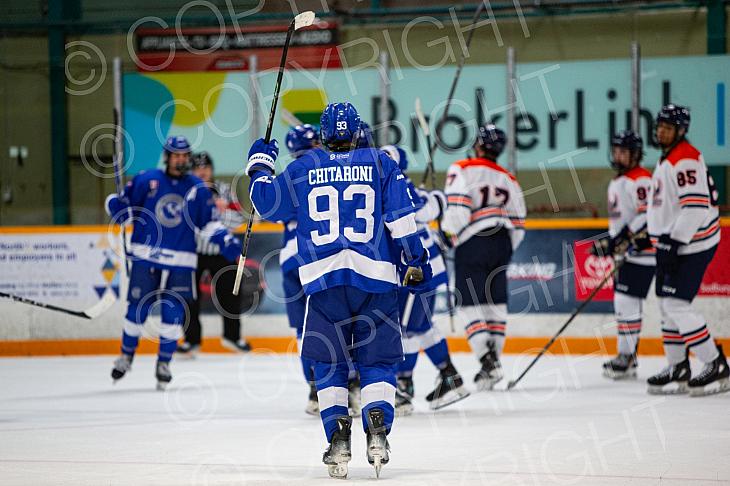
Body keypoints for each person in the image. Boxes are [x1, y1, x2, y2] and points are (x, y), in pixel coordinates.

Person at [246, 102, 432, 478]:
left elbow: (265, 205)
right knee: (377, 362)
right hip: (376, 279)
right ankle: (377, 427)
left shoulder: (303, 167)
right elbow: (401, 219)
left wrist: (260, 166)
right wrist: (416, 259)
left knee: (329, 364)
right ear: (359, 131)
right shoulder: (381, 163)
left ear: (325, 134)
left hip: (324, 283)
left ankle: (338, 437)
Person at [105, 136, 240, 389]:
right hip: (147, 256)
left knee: (173, 314)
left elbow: (208, 223)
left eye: (184, 155)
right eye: (175, 155)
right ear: (167, 156)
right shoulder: (147, 179)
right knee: (137, 310)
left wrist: (225, 239)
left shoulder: (198, 189)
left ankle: (164, 362)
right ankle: (126, 356)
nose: (180, 160)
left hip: (182, 261)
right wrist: (115, 205)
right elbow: (126, 208)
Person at [643, 104, 728, 396]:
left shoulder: (685, 158)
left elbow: (695, 208)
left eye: (667, 127)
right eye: (659, 126)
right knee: (667, 306)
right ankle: (678, 365)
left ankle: (714, 362)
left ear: (681, 130)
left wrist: (673, 241)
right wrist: (651, 236)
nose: (661, 131)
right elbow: (666, 206)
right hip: (676, 244)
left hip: (693, 244)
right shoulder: (669, 157)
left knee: (676, 304)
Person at [380, 144, 469, 415]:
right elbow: (433, 205)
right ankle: (449, 376)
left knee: (405, 328)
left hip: (416, 269)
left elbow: (415, 212)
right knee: (421, 326)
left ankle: (404, 388)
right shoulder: (405, 186)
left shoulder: (394, 187)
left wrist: (429, 200)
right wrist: (435, 199)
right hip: (427, 267)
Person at [441, 124, 526, 391]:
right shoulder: (509, 178)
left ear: (478, 144)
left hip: (473, 242)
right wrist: (506, 244)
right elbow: (519, 220)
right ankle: (494, 363)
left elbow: (459, 211)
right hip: (503, 241)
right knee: (495, 301)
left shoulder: (462, 168)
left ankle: (487, 361)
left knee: (467, 302)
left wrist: (448, 234)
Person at [591, 130, 655, 379]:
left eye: (623, 152)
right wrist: (611, 243)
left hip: (644, 252)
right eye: (616, 150)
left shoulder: (640, 179)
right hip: (630, 252)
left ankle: (627, 356)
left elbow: (647, 214)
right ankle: (628, 355)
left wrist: (622, 238)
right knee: (626, 303)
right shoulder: (618, 181)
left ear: (636, 154)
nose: (618, 156)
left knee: (626, 302)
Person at [176, 151, 251, 357]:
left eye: (206, 167)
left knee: (230, 295)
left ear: (211, 170)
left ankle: (232, 337)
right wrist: (210, 214)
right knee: (189, 296)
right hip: (193, 251)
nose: (202, 171)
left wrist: (221, 211)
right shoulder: (186, 190)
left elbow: (239, 219)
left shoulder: (224, 190)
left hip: (222, 252)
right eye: (198, 168)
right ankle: (191, 341)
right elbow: (183, 221)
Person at [281, 124, 321, 414]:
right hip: (319, 256)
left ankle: (314, 390)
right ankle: (350, 386)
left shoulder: (289, 176)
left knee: (303, 331)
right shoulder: (326, 171)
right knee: (338, 323)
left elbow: (268, 207)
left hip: (290, 260)